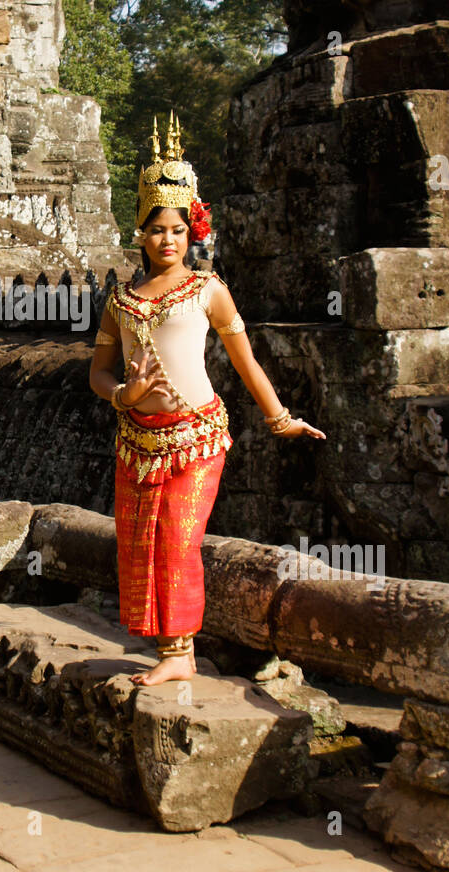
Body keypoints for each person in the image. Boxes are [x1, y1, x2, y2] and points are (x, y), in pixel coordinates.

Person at [90, 115, 326, 686]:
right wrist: (125, 394)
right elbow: (98, 373)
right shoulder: (120, 299)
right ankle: (172, 647)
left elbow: (246, 363)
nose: (166, 241)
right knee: (140, 542)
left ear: (191, 233)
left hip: (196, 437)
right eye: (155, 231)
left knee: (178, 537)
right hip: (137, 439)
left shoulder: (208, 291)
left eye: (176, 230)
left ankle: (179, 651)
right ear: (139, 235)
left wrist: (280, 419)